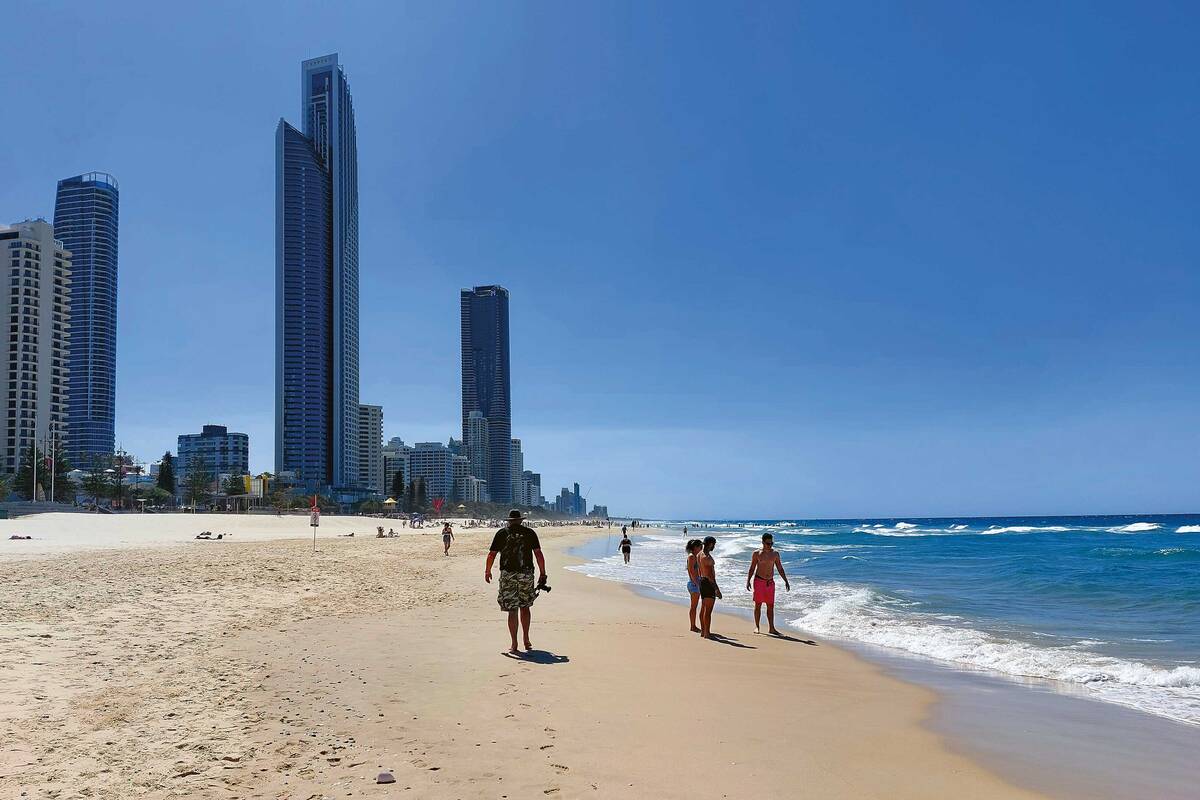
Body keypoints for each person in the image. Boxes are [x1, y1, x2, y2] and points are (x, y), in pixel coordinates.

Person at [485, 510, 547, 654]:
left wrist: (487, 571)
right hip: (526, 573)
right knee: (525, 607)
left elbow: (491, 554)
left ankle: (514, 643)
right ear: (520, 520)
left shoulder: (501, 533)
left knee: (512, 609)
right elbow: (538, 554)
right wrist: (543, 573)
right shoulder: (530, 533)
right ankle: (526, 638)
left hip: (508, 575)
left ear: (509, 521)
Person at [747, 532, 790, 635]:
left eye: (771, 543)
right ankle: (757, 626)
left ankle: (772, 628)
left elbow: (779, 568)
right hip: (759, 581)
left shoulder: (775, 554)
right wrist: (748, 580)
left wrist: (786, 580)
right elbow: (752, 568)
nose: (769, 546)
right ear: (762, 542)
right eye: (767, 543)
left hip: (770, 583)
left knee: (770, 606)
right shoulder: (757, 553)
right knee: (758, 605)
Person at [698, 536, 721, 638]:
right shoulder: (707, 557)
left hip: (702, 581)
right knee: (708, 611)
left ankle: (703, 631)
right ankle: (707, 633)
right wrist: (716, 589)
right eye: (714, 544)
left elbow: (700, 571)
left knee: (703, 608)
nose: (714, 547)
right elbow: (710, 575)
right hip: (708, 583)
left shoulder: (699, 554)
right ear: (711, 544)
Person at [685, 539, 703, 632]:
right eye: (700, 546)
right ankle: (693, 626)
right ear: (695, 547)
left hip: (696, 583)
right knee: (694, 606)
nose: (701, 548)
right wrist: (697, 584)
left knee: (695, 606)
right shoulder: (692, 557)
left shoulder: (696, 556)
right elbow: (692, 572)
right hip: (693, 584)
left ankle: (694, 625)